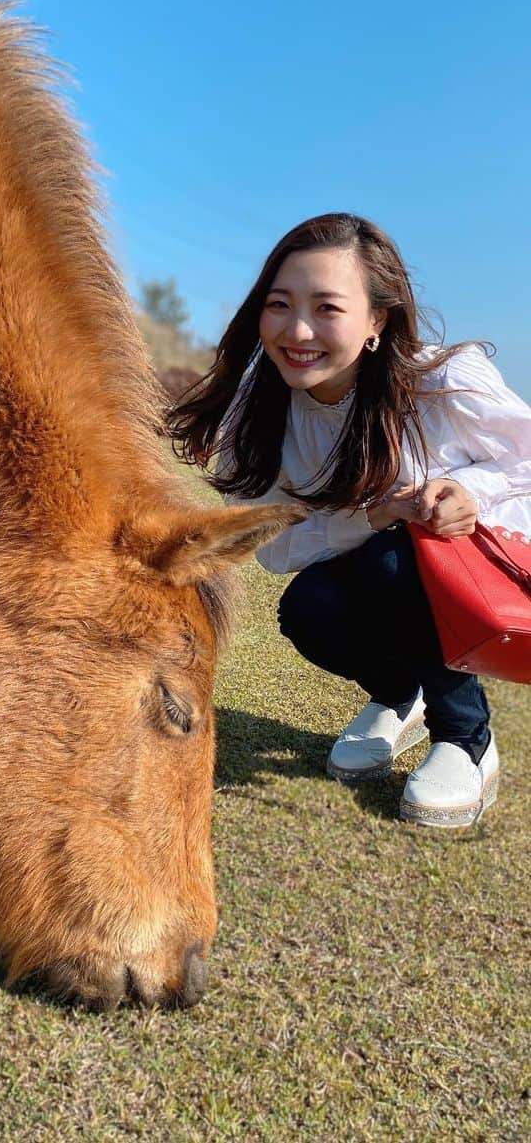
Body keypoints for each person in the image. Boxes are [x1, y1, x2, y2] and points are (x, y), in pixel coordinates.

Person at [167, 212, 531, 827]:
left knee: (394, 561)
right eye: (279, 304)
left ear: (375, 322)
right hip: (381, 571)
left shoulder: (440, 382)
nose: (297, 330)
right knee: (308, 609)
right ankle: (399, 696)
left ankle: (467, 739)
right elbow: (278, 551)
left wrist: (465, 491)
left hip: (468, 570)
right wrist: (377, 513)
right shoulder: (263, 415)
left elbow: (525, 461)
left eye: (327, 308)